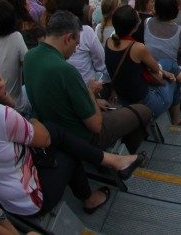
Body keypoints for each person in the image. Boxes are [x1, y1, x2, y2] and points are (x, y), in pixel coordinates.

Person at [0, 30, 141, 217]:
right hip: (27, 198)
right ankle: (91, 194)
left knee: (56, 131)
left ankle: (110, 161)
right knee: (63, 142)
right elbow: (42, 138)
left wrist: (2, 97)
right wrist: (23, 111)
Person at [23, 11, 152, 153]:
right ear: (68, 38)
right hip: (82, 137)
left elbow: (58, 96)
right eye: (76, 44)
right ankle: (125, 159)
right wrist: (90, 93)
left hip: (53, 128)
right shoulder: (65, 70)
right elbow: (96, 125)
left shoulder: (29, 57)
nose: (75, 49)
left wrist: (93, 101)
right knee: (143, 110)